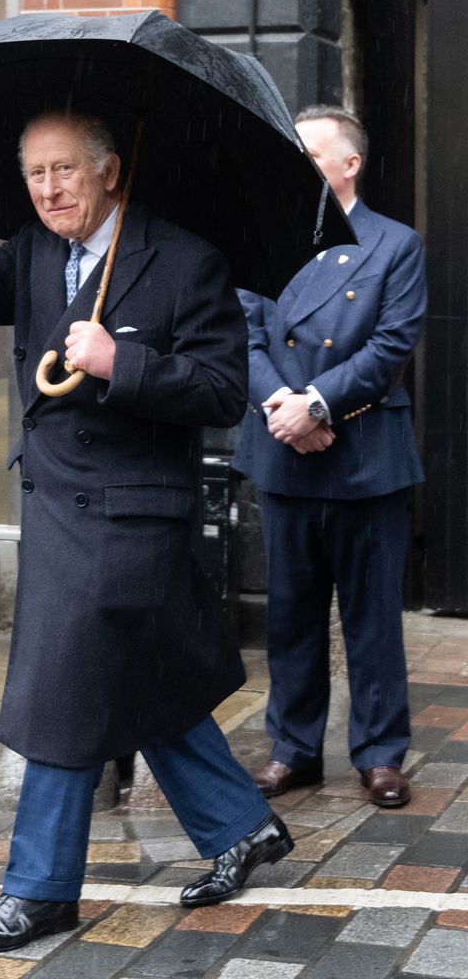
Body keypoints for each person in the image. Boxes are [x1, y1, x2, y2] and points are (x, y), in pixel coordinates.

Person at [0, 103, 293, 956]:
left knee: (61, 689)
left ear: (110, 169)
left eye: (65, 169)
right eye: (35, 173)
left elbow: (224, 392)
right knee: (136, 681)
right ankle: (242, 827)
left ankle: (39, 892)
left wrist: (124, 364)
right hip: (54, 506)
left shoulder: (185, 259)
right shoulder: (37, 250)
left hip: (130, 514)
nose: (47, 190)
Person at [233, 105, 426, 808]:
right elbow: (245, 336)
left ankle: (379, 753)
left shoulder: (395, 245)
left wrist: (314, 405)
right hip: (285, 452)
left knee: (372, 617)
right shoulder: (266, 238)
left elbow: (390, 348)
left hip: (366, 456)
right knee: (290, 613)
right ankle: (294, 749)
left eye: (314, 154)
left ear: (350, 165)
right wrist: (284, 410)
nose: (300, 166)